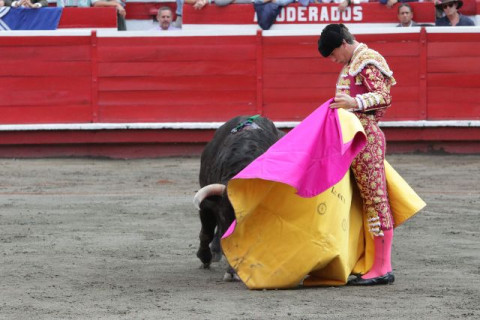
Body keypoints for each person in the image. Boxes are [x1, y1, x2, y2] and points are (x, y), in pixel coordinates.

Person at [318, 24, 396, 285]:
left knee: (375, 198)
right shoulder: (352, 63)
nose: (332, 60)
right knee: (363, 199)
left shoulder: (367, 59)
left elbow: (384, 97)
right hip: (352, 137)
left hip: (367, 137)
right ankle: (370, 263)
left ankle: (383, 268)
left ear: (342, 43)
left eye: (332, 54)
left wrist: (355, 103)